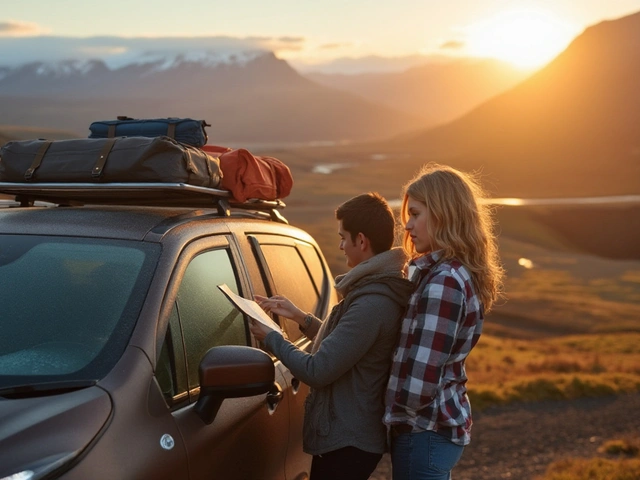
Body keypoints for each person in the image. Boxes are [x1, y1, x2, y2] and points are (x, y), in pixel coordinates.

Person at [249, 192, 415, 480]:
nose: (340, 246)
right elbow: (347, 345)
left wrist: (272, 338)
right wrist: (301, 317)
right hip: (347, 438)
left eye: (343, 237)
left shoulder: (372, 303)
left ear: (361, 241)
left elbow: (318, 369)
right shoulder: (371, 291)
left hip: (348, 442)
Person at [383, 163, 505, 480]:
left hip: (422, 431)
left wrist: (394, 413)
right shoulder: (453, 273)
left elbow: (421, 381)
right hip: (435, 428)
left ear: (444, 213)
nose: (407, 226)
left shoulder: (443, 282)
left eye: (416, 214)